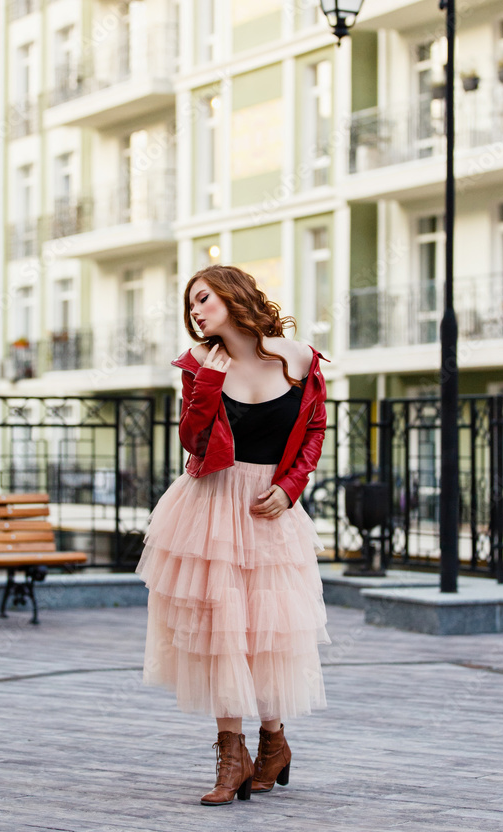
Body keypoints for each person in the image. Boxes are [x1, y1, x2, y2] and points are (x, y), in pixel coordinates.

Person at [135, 264, 331, 805]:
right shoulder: (200, 362)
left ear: (232, 295)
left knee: (267, 631)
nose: (195, 311)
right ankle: (231, 753)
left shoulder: (299, 357)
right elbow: (195, 440)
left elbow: (314, 429)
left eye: (203, 299)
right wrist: (210, 383)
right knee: (219, 628)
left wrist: (292, 486)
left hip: (270, 506)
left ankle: (273, 743)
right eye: (190, 304)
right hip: (211, 502)